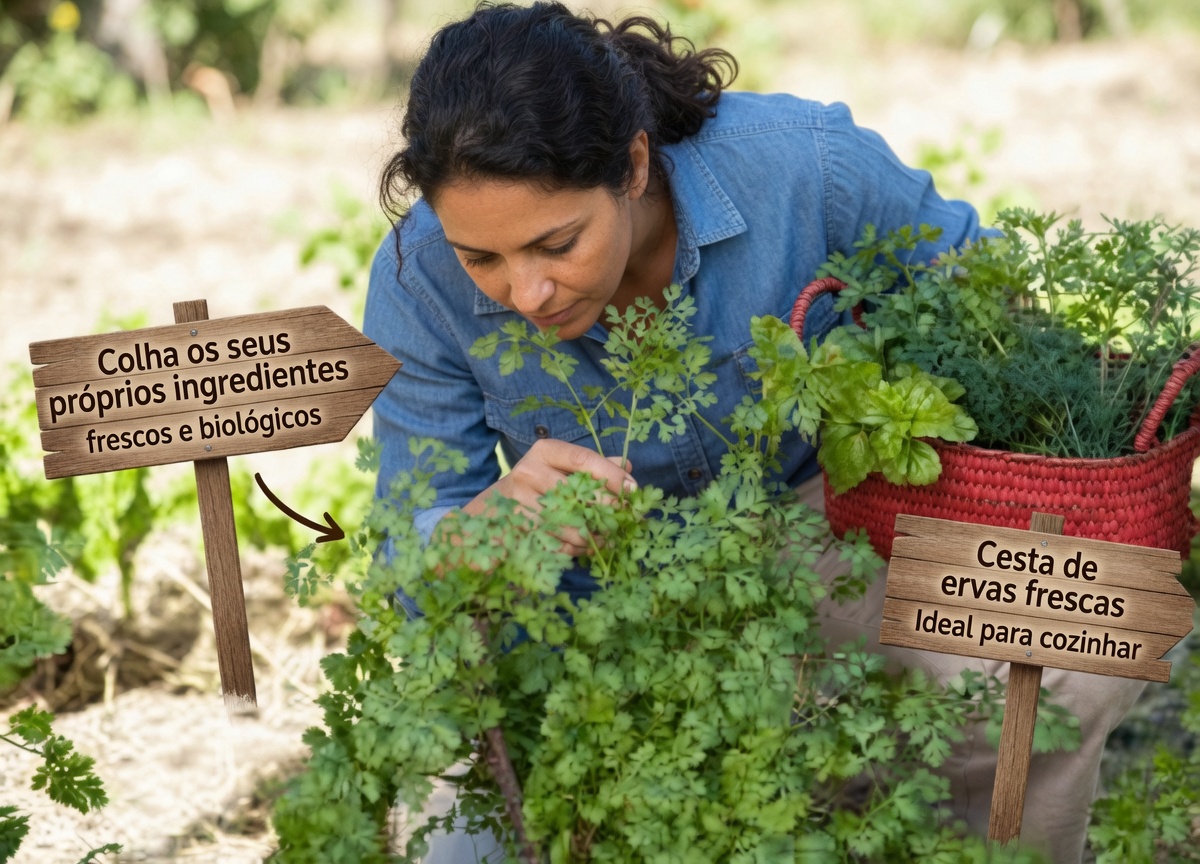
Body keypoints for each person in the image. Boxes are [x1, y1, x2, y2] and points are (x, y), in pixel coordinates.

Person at [363, 3, 1144, 861]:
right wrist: (481, 529)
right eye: (485, 259)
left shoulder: (805, 167)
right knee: (470, 840)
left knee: (1083, 651)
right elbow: (414, 538)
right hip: (593, 601)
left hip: (836, 530)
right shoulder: (418, 278)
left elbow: (991, 307)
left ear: (631, 163)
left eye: (557, 243)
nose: (528, 292)